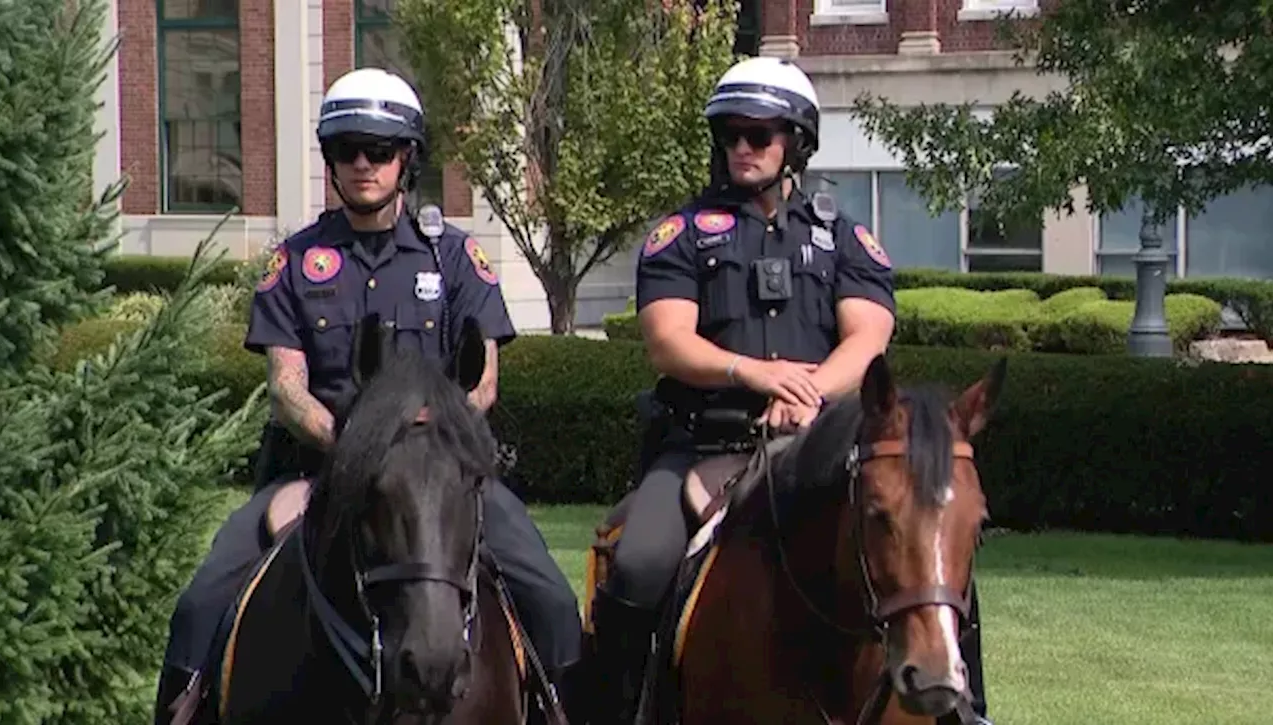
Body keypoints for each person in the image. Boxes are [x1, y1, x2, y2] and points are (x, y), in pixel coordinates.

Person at [151, 67, 585, 725]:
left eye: (378, 150)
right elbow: (286, 386)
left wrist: (426, 449)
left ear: (406, 158)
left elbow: (483, 380)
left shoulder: (458, 260)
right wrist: (356, 448)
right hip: (316, 473)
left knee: (551, 598)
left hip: (440, 478)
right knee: (201, 602)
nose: (362, 163)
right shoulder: (296, 261)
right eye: (346, 149)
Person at [589, 57, 993, 725]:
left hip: (822, 447)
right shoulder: (680, 236)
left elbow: (868, 337)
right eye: (731, 134)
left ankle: (966, 709)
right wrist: (756, 374)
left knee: (932, 556)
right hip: (702, 446)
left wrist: (807, 390)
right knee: (638, 562)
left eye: (761, 134)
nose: (743, 147)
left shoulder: (844, 239)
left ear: (797, 142)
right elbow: (667, 339)